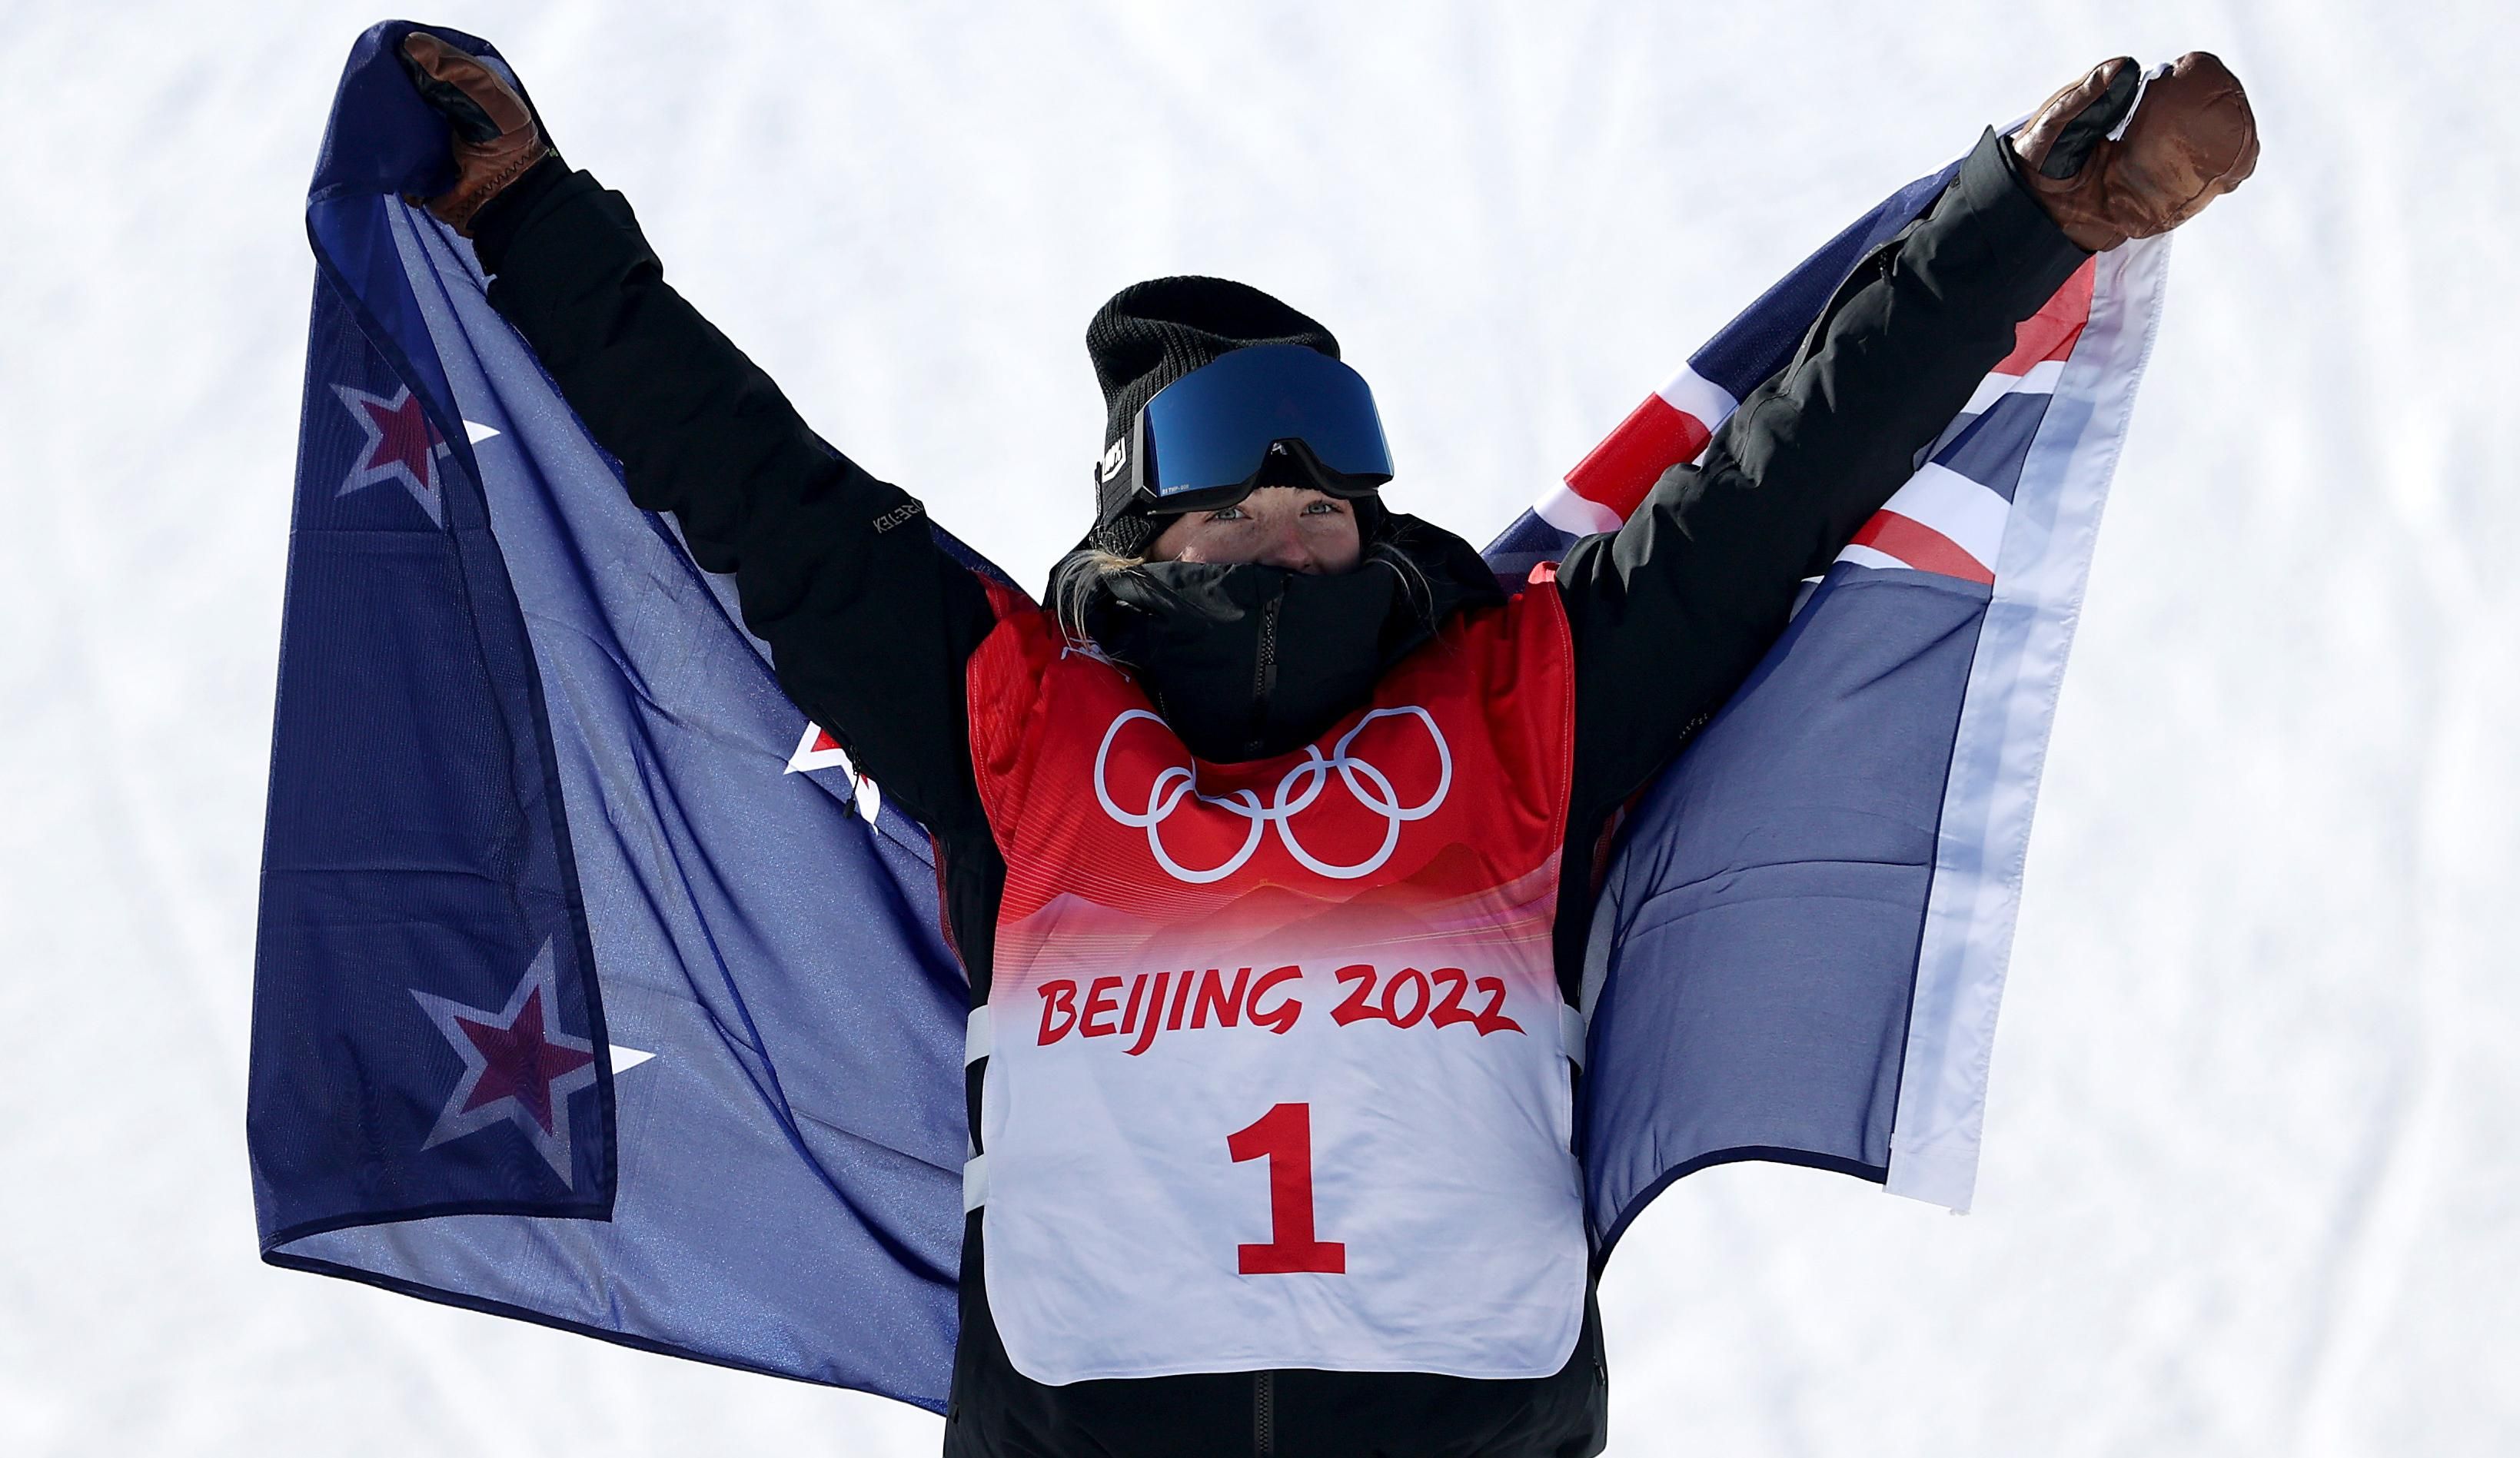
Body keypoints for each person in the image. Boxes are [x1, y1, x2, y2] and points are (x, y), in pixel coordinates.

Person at [397, 35, 2255, 1458]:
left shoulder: (1518, 699)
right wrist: (541, 226)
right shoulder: (1022, 717)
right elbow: (758, 491)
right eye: (1234, 473)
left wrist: (2024, 223)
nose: (1293, 510)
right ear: (1133, 524)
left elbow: (1781, 479)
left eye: (1327, 470)